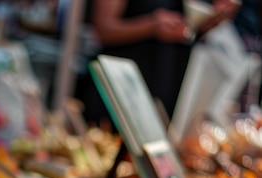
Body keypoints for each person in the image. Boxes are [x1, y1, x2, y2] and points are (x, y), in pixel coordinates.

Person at [80, 0, 242, 125]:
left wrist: (209, 21)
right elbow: (102, 28)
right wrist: (152, 26)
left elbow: (186, 34)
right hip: (116, 99)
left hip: (158, 106)